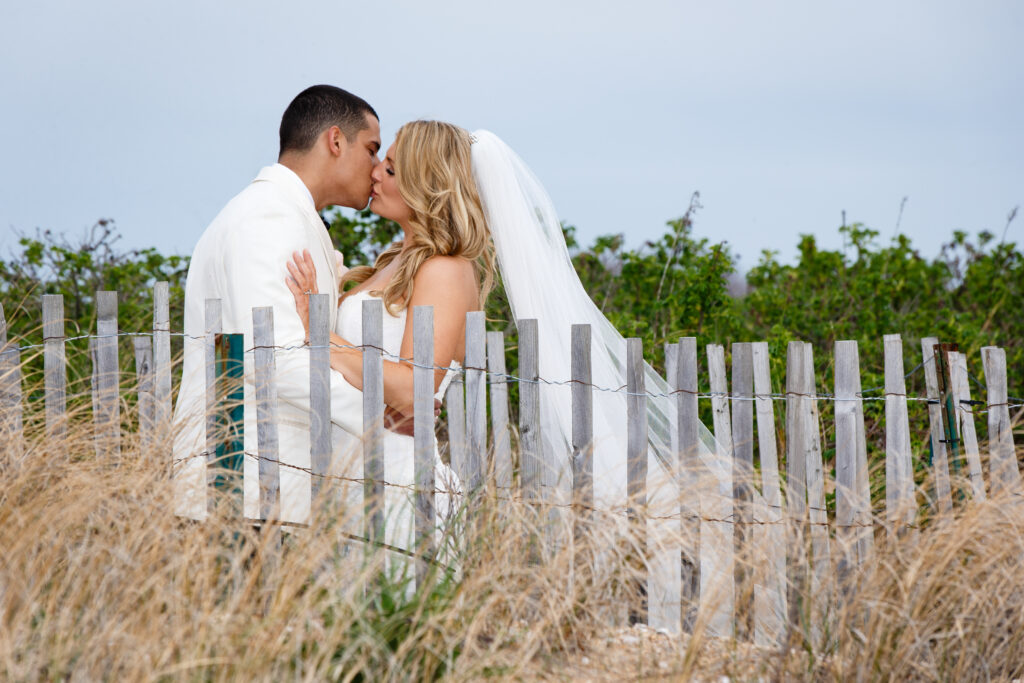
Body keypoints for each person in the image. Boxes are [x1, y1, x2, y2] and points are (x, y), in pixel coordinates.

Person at [286, 122, 741, 632]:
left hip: (400, 485)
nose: (375, 173)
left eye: (390, 168)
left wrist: (326, 338)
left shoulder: (445, 269)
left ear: (425, 183)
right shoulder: (393, 264)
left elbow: (413, 391)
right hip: (351, 471)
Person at [172, 85, 429, 525]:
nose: (375, 169)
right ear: (334, 141)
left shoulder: (290, 216)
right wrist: (382, 418)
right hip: (246, 491)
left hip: (278, 492)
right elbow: (277, 359)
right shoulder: (267, 218)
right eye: (371, 150)